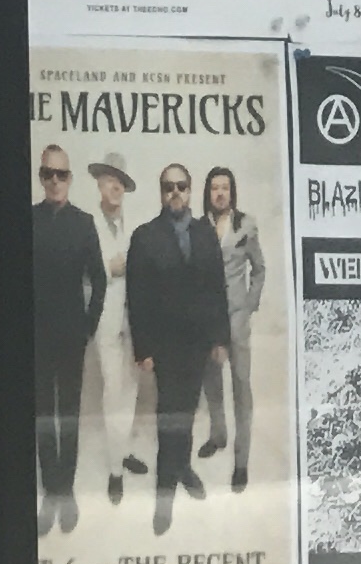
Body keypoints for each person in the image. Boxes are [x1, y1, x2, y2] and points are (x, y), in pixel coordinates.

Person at [124, 158, 233, 534]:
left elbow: (217, 289)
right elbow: (136, 297)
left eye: (181, 186)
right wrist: (143, 350)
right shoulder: (145, 236)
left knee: (187, 413)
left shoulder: (205, 234)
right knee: (169, 420)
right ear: (161, 192)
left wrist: (220, 339)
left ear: (189, 190)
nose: (175, 193)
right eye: (168, 187)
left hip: (199, 345)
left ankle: (184, 467)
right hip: (164, 348)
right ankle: (164, 497)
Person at [30, 143, 106, 535]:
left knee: (70, 415)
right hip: (36, 338)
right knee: (44, 415)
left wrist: (88, 327)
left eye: (61, 174)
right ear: (40, 177)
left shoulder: (83, 223)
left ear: (70, 178)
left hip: (72, 337)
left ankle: (67, 490)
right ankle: (51, 492)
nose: (55, 181)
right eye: (48, 174)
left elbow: (100, 280)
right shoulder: (27, 220)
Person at [83, 156, 151, 500]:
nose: (115, 187)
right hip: (106, 321)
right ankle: (114, 471)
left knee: (131, 389)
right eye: (109, 179)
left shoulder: (133, 225)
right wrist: (108, 268)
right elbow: (76, 274)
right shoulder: (87, 225)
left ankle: (122, 452)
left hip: (133, 320)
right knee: (113, 391)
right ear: (99, 183)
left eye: (120, 182)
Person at [196, 164, 265, 493]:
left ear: (232, 192)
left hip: (237, 320)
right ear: (207, 193)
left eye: (224, 187)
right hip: (209, 320)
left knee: (241, 385)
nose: (220, 193)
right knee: (211, 380)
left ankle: (241, 461)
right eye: (214, 188)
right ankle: (218, 434)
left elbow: (259, 269)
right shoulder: (199, 228)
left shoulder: (245, 225)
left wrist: (249, 304)